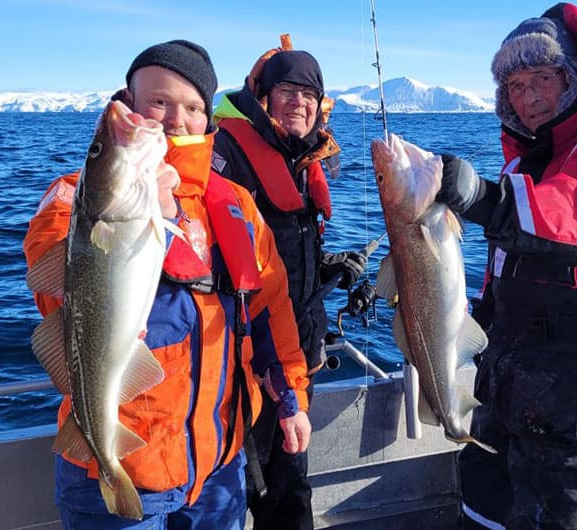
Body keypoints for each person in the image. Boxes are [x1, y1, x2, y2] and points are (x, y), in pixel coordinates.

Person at [23, 39, 313, 530]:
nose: (177, 119)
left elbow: (269, 309)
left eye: (194, 106)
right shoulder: (77, 197)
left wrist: (291, 399)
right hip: (121, 466)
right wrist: (137, 213)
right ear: (128, 104)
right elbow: (52, 285)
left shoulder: (236, 203)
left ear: (210, 120)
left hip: (217, 465)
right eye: (159, 101)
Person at [426, 4, 577, 529]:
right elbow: (504, 260)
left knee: (553, 515)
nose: (529, 95)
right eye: (514, 86)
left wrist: (479, 196)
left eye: (541, 77)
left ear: (573, 78)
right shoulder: (527, 158)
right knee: (481, 499)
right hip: (507, 369)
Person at [211, 45, 367, 530]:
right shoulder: (228, 153)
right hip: (249, 362)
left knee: (288, 483)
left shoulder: (299, 157)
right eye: (286, 91)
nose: (298, 102)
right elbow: (228, 262)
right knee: (254, 491)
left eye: (308, 93)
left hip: (298, 352)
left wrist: (328, 271)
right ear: (262, 97)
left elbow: (280, 253)